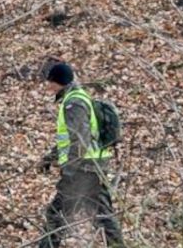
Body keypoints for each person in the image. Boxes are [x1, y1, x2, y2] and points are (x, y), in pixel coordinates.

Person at [36, 62, 123, 248]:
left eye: (50, 81)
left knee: (56, 214)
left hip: (82, 170)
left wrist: (70, 171)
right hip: (93, 166)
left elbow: (78, 140)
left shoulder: (73, 103)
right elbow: (67, 139)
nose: (47, 85)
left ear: (58, 82)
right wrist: (50, 158)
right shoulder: (79, 97)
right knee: (103, 215)